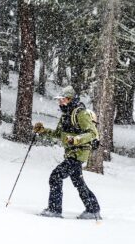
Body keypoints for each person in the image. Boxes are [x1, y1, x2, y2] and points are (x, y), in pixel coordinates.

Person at [33, 86, 102, 219]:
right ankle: (93, 210)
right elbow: (59, 134)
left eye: (62, 99)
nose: (60, 102)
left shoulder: (80, 113)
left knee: (56, 176)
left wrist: (76, 139)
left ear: (70, 99)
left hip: (78, 154)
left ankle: (54, 210)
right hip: (71, 154)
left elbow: (92, 133)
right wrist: (42, 131)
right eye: (59, 100)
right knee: (79, 183)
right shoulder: (65, 115)